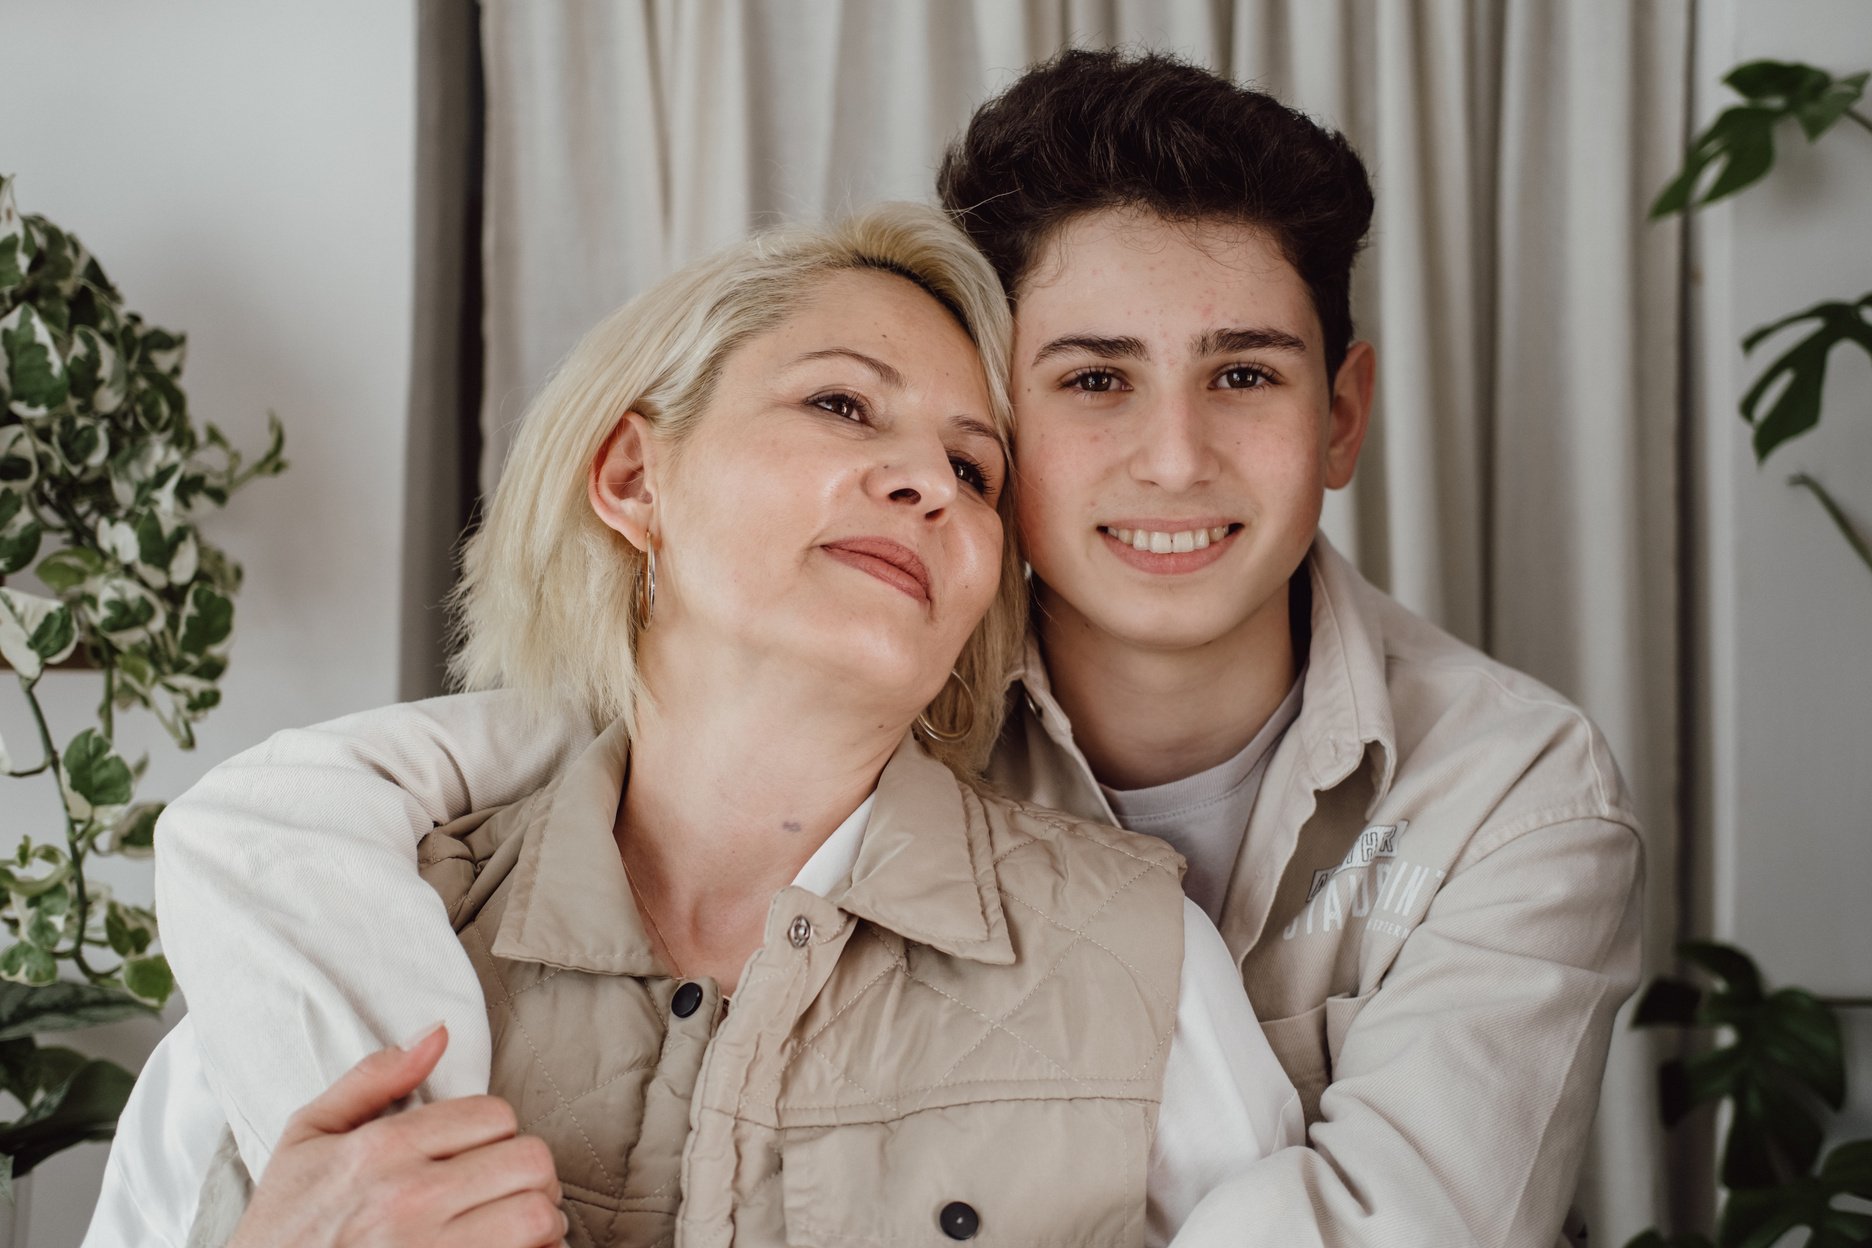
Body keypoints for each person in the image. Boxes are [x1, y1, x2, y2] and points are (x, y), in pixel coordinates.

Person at [138, 48, 1642, 1248]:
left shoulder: (1507, 793)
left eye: (1244, 373)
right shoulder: (389, 919)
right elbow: (573, 749)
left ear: (1342, 416)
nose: (1175, 456)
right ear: (632, 477)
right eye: (1093, 379)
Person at [87, 203, 1302, 1247]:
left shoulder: (1143, 966)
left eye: (975, 472)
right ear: (631, 479)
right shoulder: (323, 963)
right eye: (841, 404)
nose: (928, 482)